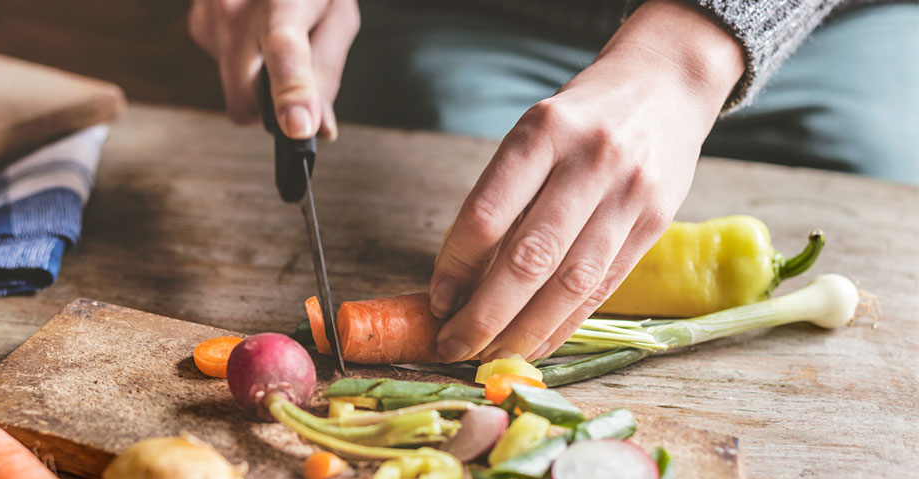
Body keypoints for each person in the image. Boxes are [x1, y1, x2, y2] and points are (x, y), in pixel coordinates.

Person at [187, 0, 918, 362]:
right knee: (464, 161)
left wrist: (687, 52)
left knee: (873, 159)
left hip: (834, 28)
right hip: (487, 23)